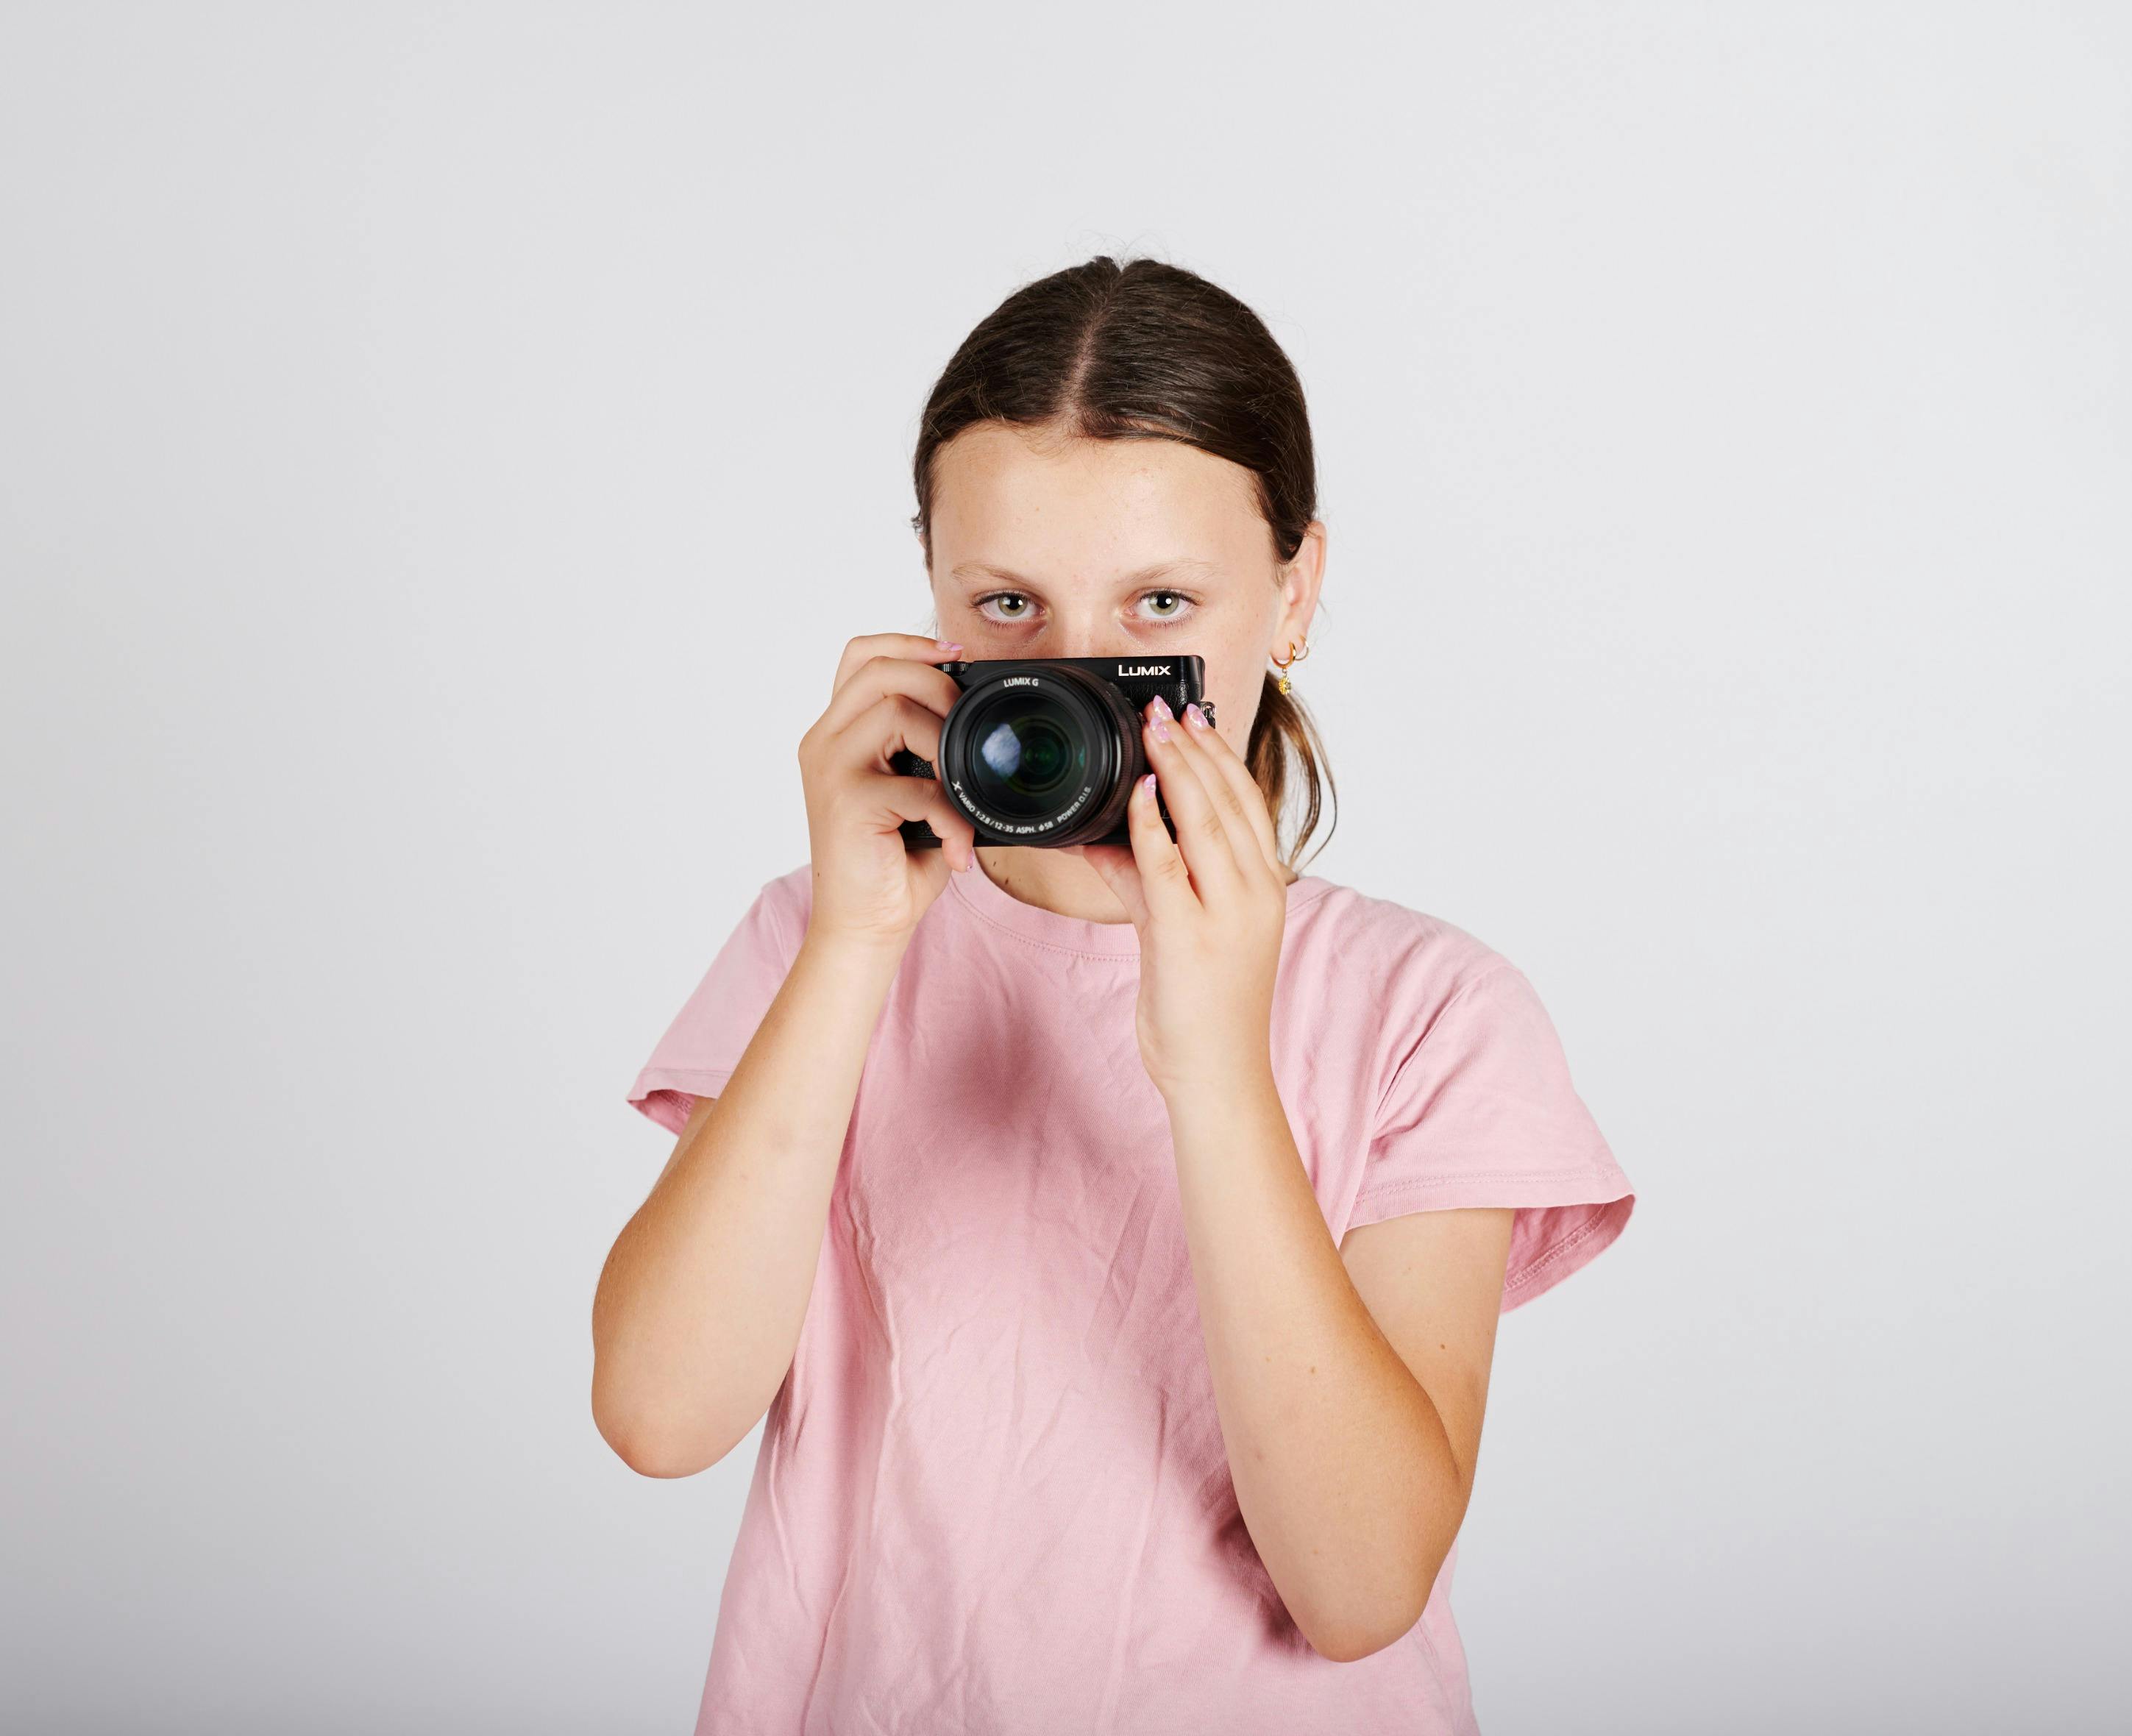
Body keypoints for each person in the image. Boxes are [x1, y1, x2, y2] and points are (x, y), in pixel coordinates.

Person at [591, 255, 1636, 1734]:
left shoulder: (1428, 1012)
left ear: (1294, 592)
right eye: (1008, 603)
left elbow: (1358, 1581)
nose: (1073, 672)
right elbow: (655, 1413)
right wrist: (851, 946)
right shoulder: (814, 947)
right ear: (931, 597)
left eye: (1158, 602)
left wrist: (1212, 1062)